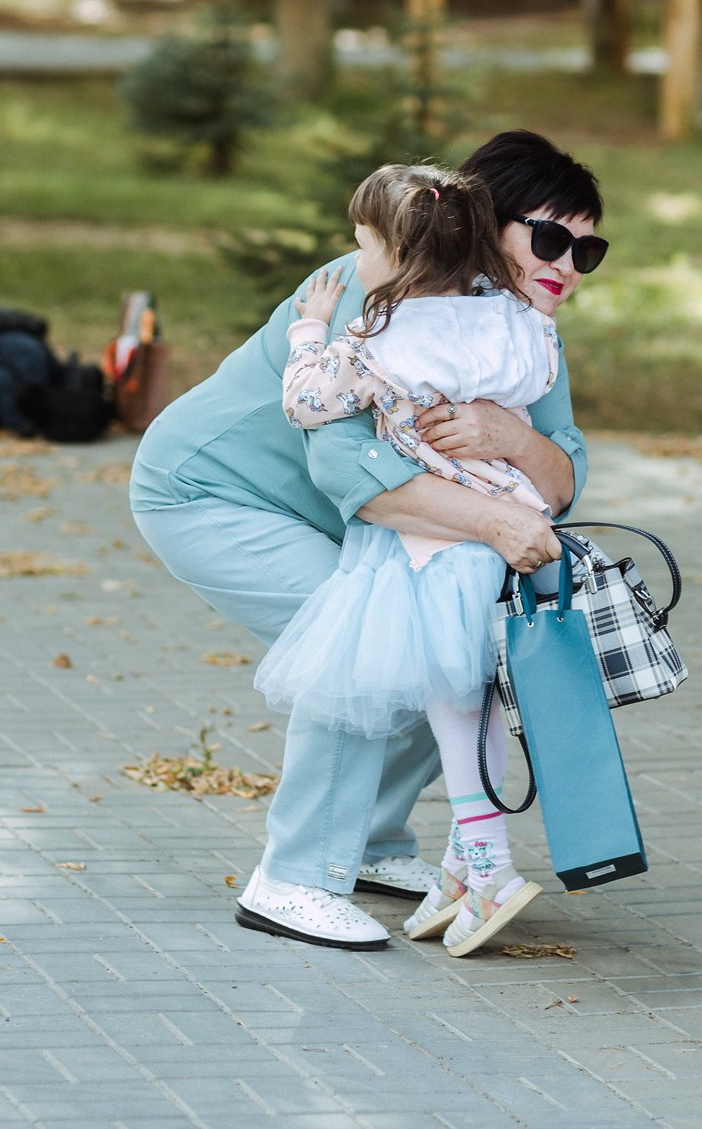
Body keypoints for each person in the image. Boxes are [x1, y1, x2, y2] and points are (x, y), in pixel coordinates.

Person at [128, 130, 606, 949]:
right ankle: (293, 880)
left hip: (349, 519)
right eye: (550, 236)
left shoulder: (522, 322)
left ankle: (377, 845)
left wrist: (510, 437)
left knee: (449, 646)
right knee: (362, 642)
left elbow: (565, 472)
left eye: (588, 248)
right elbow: (349, 467)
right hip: (210, 492)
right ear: (485, 223)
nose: (567, 262)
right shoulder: (381, 288)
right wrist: (494, 519)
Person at [256, 164, 555, 955]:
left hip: (430, 540)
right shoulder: (513, 322)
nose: (353, 262)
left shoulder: (380, 339)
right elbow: (540, 380)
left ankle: (487, 860)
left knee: (449, 696)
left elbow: (306, 403)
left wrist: (308, 330)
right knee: (477, 693)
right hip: (507, 528)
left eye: (361, 244)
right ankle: (463, 863)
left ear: (395, 252)